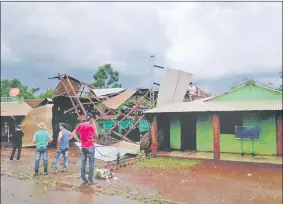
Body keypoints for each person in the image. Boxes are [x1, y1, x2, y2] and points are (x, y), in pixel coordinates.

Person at [71, 116, 97, 185]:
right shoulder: (91, 126)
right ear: (90, 119)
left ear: (85, 119)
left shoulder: (80, 125)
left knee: (83, 163)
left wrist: (78, 140)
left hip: (83, 147)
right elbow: (96, 135)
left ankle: (83, 178)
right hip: (90, 146)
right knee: (91, 163)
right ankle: (90, 180)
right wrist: (94, 125)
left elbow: (73, 133)